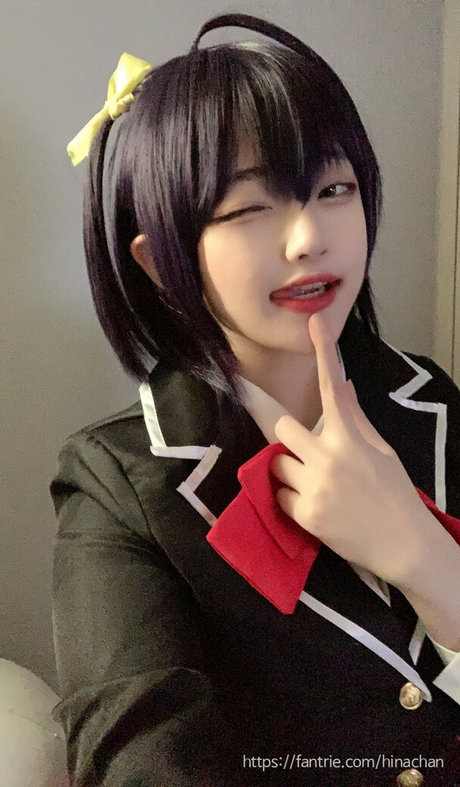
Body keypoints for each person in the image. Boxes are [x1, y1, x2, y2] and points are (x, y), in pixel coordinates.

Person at [51, 13, 460, 787]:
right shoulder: (116, 483)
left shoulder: (434, 397)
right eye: (247, 208)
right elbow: (146, 763)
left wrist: (427, 558)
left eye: (334, 189)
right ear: (160, 262)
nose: (309, 237)